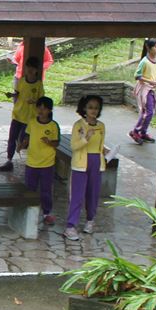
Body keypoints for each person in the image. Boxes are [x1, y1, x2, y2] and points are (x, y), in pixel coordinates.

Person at [66, 95, 110, 241]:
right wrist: (86, 138)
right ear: (84, 108)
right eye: (90, 107)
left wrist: (104, 150)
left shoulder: (101, 126)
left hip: (96, 162)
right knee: (77, 195)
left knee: (93, 193)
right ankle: (71, 226)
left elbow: (99, 144)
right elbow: (74, 146)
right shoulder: (78, 125)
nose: (93, 110)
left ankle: (90, 221)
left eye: (96, 108)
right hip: (80, 164)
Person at [0, 56, 45, 172]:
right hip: (17, 115)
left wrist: (35, 102)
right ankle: (9, 160)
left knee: (24, 141)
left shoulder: (38, 84)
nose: (30, 70)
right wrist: (12, 95)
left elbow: (42, 101)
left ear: (36, 70)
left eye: (32, 68)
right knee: (12, 138)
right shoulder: (22, 81)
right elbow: (18, 94)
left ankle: (31, 162)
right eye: (28, 67)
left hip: (30, 118)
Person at [20, 96, 60, 224]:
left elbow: (56, 143)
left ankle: (46, 213)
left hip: (47, 163)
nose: (41, 111)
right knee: (29, 188)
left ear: (50, 110)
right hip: (32, 162)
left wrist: (49, 142)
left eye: (44, 108)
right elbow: (27, 136)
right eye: (39, 107)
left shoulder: (53, 126)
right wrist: (22, 144)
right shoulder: (32, 122)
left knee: (46, 190)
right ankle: (27, 211)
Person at [129, 39, 156, 145]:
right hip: (144, 89)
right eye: (155, 46)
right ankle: (135, 131)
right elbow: (137, 76)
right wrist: (151, 81)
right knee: (148, 112)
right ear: (148, 48)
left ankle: (142, 132)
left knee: (150, 112)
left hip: (152, 89)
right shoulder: (144, 61)